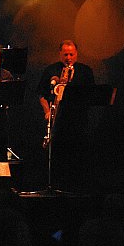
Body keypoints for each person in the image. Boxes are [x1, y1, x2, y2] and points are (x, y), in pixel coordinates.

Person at [37, 40, 94, 192]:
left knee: (77, 155)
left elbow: (91, 94)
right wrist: (47, 111)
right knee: (58, 155)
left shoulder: (85, 71)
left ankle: (77, 187)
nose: (68, 57)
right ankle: (56, 186)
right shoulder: (51, 70)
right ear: (60, 54)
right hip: (58, 120)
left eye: (71, 54)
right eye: (65, 54)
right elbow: (42, 95)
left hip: (78, 120)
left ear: (76, 54)